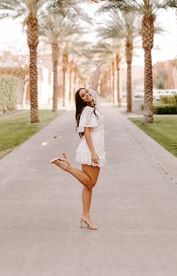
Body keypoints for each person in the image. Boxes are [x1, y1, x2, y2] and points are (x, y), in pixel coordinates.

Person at [49, 64, 105, 230]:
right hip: (91, 148)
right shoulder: (88, 110)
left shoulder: (92, 107)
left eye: (87, 92)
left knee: (87, 185)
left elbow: (94, 85)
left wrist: (98, 69)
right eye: (83, 94)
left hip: (95, 147)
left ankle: (85, 216)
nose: (87, 94)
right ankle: (65, 166)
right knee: (91, 183)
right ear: (81, 99)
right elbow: (87, 133)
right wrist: (94, 153)